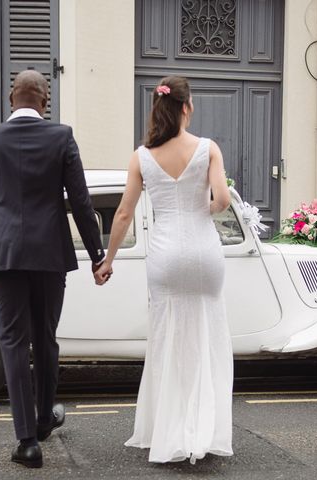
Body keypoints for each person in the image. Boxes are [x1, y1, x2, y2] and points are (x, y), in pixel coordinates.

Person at [0, 70, 106, 469]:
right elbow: (81, 202)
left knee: (12, 341)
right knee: (45, 337)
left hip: (2, 255)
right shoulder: (61, 137)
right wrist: (97, 255)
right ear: (45, 101)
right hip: (49, 254)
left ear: (11, 98)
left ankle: (27, 442)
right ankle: (45, 417)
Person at [95, 76, 234, 464]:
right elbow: (221, 200)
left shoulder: (141, 156)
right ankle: (203, 430)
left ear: (158, 107)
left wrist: (108, 261)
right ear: (187, 107)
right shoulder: (207, 149)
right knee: (206, 336)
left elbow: (123, 213)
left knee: (168, 339)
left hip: (165, 255)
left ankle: (167, 431)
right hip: (204, 253)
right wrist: (199, 210)